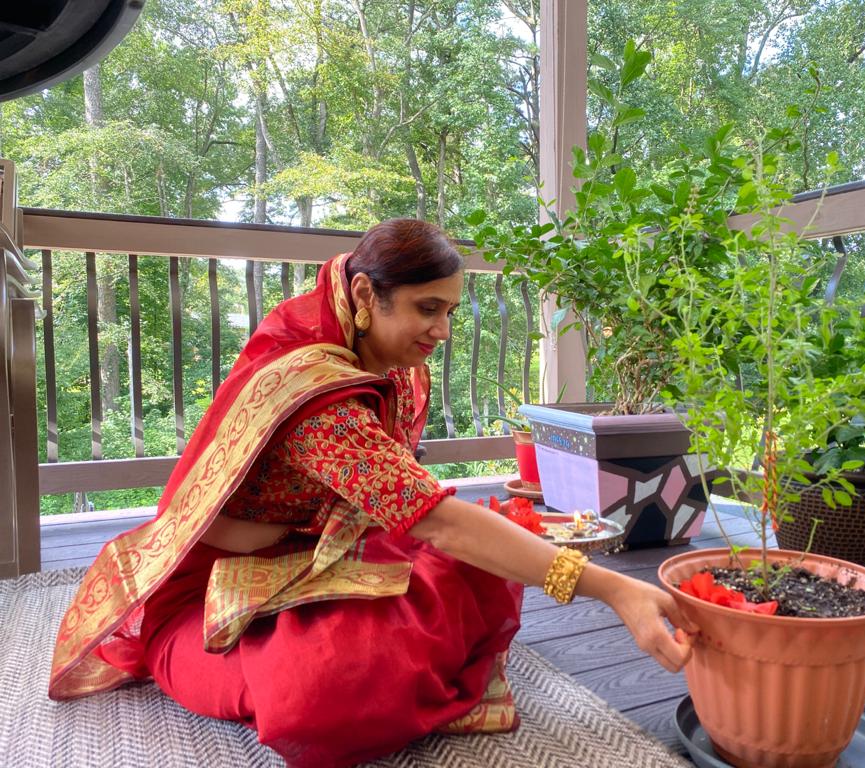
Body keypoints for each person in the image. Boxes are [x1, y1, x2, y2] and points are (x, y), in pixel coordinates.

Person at [49, 218, 691, 767]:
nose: (441, 331)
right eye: (427, 309)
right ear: (364, 293)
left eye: (449, 312)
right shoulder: (313, 390)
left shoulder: (392, 365)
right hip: (213, 596)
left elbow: (409, 507)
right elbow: (432, 520)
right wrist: (613, 589)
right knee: (314, 697)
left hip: (320, 552)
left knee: (483, 562)